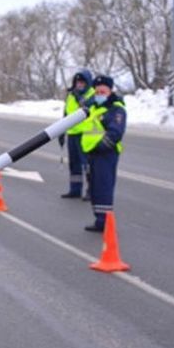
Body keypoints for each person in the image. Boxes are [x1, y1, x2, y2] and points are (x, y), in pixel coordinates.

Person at [79, 74, 127, 232]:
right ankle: (99, 219)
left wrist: (100, 146)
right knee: (94, 187)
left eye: (103, 92)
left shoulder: (116, 109)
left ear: (110, 91)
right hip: (92, 153)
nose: (99, 95)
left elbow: (115, 132)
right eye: (97, 92)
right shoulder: (94, 108)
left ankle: (104, 221)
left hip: (106, 153)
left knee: (103, 187)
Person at [59, 69, 95, 200]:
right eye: (77, 82)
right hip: (72, 133)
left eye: (82, 82)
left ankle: (92, 190)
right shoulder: (71, 95)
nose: (79, 84)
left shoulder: (92, 95)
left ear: (88, 83)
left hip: (86, 134)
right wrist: (61, 131)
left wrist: (80, 98)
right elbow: (66, 114)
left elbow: (88, 109)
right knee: (74, 164)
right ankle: (75, 189)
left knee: (87, 164)